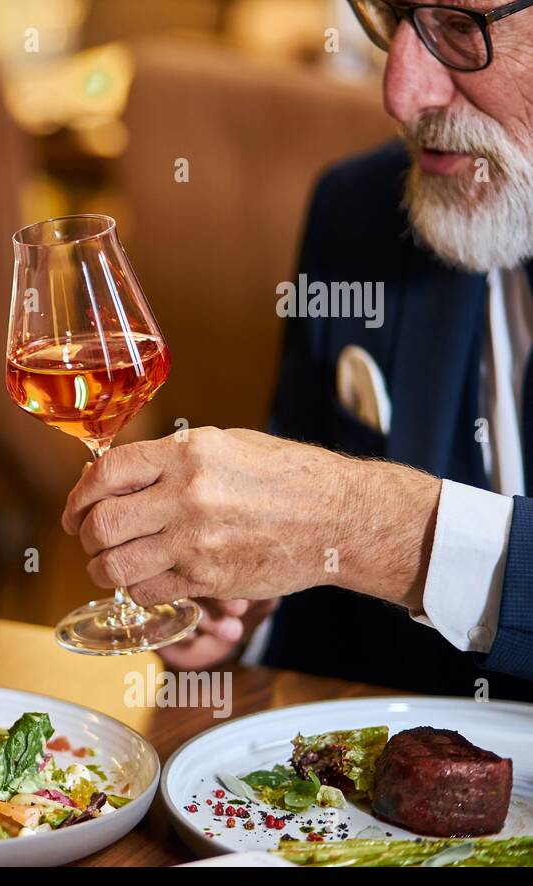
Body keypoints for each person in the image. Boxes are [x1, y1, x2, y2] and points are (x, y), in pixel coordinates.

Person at [62, 0, 533, 700]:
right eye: (392, 16)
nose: (398, 94)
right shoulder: (363, 210)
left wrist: (371, 522)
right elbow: (330, 604)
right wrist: (239, 612)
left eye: (462, 28)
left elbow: (341, 523)